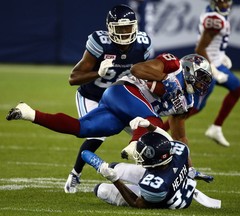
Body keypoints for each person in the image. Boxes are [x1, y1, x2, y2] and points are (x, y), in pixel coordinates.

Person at [6, 53, 213, 182]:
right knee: (154, 123)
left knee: (82, 128)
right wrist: (164, 78)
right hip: (124, 91)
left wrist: (191, 169)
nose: (203, 84)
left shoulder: (188, 102)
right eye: (202, 78)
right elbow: (136, 69)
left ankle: (29, 113)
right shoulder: (172, 65)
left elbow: (179, 139)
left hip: (128, 113)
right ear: (188, 70)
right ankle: (133, 145)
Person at [65, 4, 153, 193]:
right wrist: (98, 72)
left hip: (120, 98)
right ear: (110, 28)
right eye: (119, 28)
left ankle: (153, 177)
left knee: (149, 134)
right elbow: (73, 78)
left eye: (127, 27)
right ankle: (75, 173)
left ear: (135, 26)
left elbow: (143, 76)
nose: (124, 33)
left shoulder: (143, 43)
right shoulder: (100, 42)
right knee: (97, 134)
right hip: (92, 96)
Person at [81, 116, 221, 209]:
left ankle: (112, 177)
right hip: (171, 180)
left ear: (155, 161)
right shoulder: (178, 150)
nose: (138, 156)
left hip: (163, 195)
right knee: (113, 166)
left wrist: (115, 179)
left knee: (101, 189)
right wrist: (149, 125)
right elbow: (167, 140)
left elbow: (138, 204)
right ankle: (113, 171)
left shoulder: (156, 186)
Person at [163, 0, 240, 147]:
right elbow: (200, 48)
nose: (226, 3)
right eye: (222, 0)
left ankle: (216, 128)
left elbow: (212, 43)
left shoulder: (215, 13)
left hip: (216, 62)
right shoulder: (215, 20)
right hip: (208, 67)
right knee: (193, 107)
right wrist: (214, 69)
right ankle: (159, 130)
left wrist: (221, 55)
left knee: (237, 89)